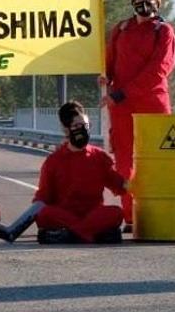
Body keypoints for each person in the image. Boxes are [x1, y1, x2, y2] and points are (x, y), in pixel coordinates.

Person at [100, 0, 175, 226]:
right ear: (132, 2)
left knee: (157, 161)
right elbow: (109, 63)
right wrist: (105, 78)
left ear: (158, 2)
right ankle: (130, 215)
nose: (144, 4)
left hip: (153, 105)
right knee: (124, 161)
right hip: (122, 108)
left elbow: (159, 70)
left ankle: (158, 213)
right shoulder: (121, 30)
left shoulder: (164, 31)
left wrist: (123, 93)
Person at [33, 102, 128, 244]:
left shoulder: (99, 157)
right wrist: (35, 211)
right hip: (65, 215)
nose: (83, 130)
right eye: (77, 126)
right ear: (66, 129)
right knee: (43, 214)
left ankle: (72, 234)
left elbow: (120, 186)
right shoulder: (53, 161)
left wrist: (137, 177)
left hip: (93, 214)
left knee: (117, 213)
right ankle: (90, 233)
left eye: (86, 125)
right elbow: (43, 197)